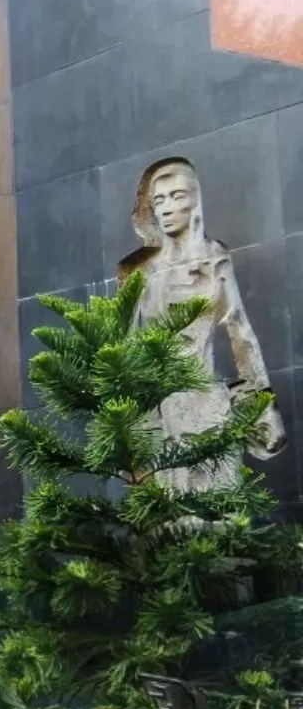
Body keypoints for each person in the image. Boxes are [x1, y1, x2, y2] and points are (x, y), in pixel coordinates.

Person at [119, 157, 286, 491]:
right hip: (158, 413)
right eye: (159, 201)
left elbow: (240, 331)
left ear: (195, 199)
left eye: (176, 196)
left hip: (210, 406)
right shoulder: (137, 270)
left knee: (219, 519)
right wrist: (129, 422)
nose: (166, 208)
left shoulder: (215, 258)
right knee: (169, 525)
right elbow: (122, 347)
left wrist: (263, 402)